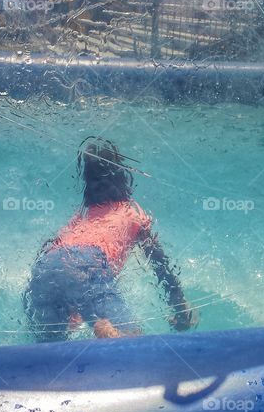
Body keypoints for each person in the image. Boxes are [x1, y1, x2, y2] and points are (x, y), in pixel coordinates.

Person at [25, 137, 197, 341]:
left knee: (51, 350)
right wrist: (180, 306)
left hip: (44, 268)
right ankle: (106, 329)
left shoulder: (81, 215)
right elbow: (160, 264)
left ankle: (101, 328)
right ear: (122, 177)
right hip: (86, 262)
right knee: (129, 341)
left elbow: (53, 251)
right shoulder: (131, 212)